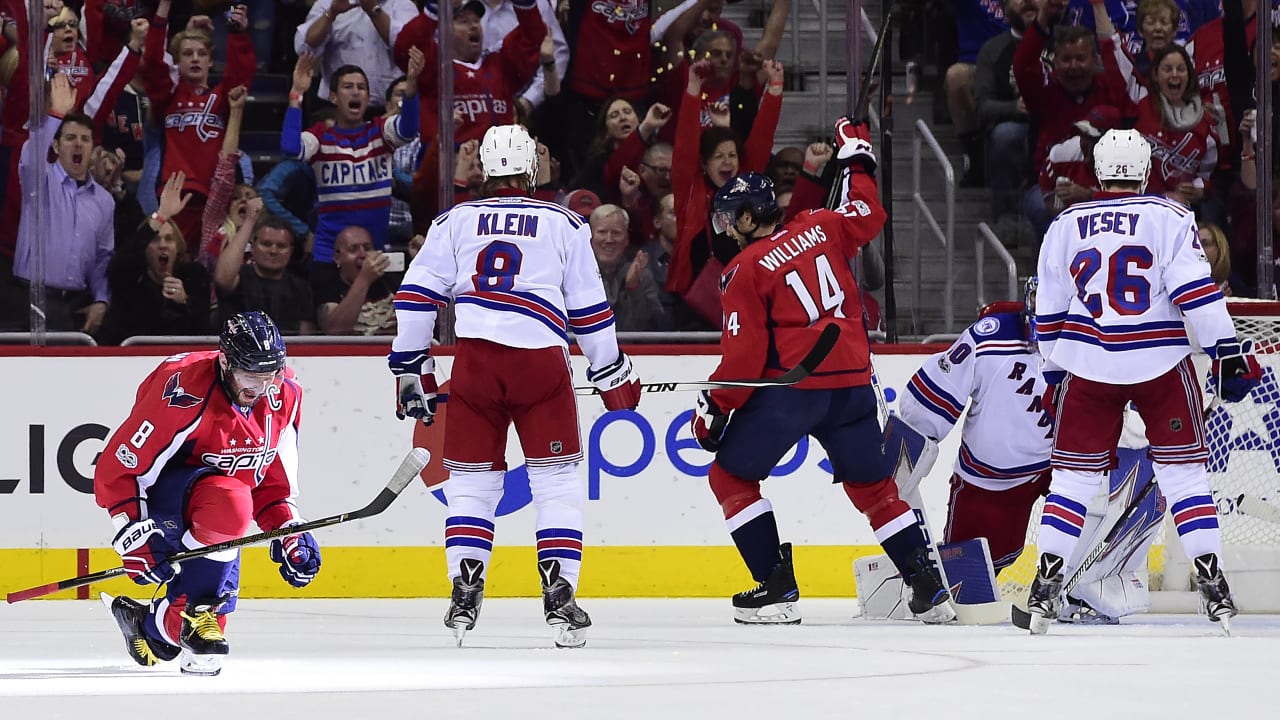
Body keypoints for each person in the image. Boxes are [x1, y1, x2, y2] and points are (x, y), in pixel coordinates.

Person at [689, 120, 956, 626]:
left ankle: (775, 587)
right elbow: (867, 210)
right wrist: (856, 157)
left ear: (748, 217)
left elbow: (744, 362)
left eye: (729, 219)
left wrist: (715, 409)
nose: (724, 229)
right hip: (853, 386)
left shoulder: (743, 270)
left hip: (793, 392)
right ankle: (928, 588)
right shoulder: (821, 225)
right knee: (876, 493)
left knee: (730, 477)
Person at [388, 124, 641, 648]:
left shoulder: (454, 220)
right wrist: (611, 372)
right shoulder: (565, 223)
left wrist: (411, 367)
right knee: (556, 484)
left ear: (483, 169)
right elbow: (591, 311)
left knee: (472, 485)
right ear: (531, 169)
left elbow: (415, 297)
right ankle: (559, 591)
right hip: (540, 368)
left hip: (475, 366)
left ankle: (464, 587)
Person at [1030, 128, 1259, 634]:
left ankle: (1045, 585)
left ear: (1096, 172)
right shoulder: (1170, 217)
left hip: (1089, 364)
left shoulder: (1066, 223)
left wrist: (1052, 370)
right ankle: (1213, 584)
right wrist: (1225, 347)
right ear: (1146, 171)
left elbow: (1046, 311)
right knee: (1183, 478)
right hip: (1160, 363)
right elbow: (1197, 293)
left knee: (1071, 483)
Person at [95, 312, 320, 675]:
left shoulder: (286, 396)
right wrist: (133, 531)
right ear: (226, 362)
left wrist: (290, 533)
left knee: (196, 643)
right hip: (167, 502)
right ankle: (195, 611)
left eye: (270, 375)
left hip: (223, 507)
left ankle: (148, 626)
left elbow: (272, 489)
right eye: (250, 376)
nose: (261, 388)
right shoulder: (181, 389)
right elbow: (119, 468)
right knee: (230, 502)